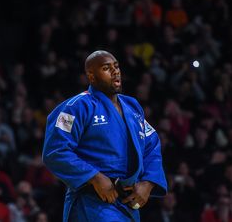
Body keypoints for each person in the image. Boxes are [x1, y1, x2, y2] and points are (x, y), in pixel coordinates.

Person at [42, 50, 167, 222]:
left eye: (116, 66)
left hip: (128, 203)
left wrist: (148, 183)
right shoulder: (76, 106)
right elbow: (55, 150)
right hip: (92, 201)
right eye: (106, 68)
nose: (115, 71)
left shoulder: (132, 107)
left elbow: (151, 145)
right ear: (91, 76)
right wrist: (94, 177)